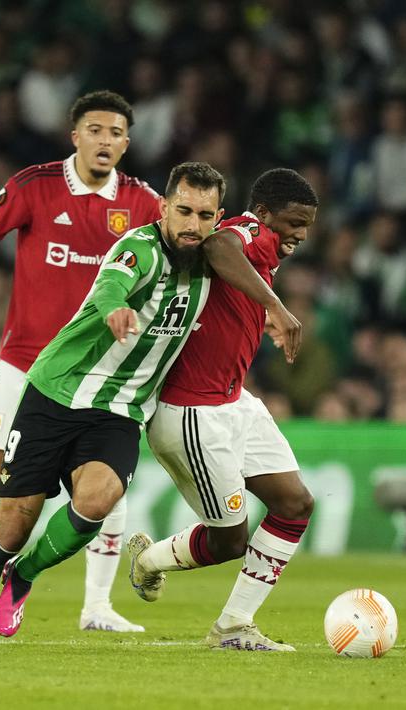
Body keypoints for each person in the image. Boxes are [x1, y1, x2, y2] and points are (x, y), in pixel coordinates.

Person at [0, 161, 303, 648]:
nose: (192, 225)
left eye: (203, 215)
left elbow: (230, 256)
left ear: (218, 217)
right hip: (56, 393)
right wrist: (115, 305)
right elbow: (114, 282)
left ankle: (24, 575)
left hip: (122, 409)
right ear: (163, 208)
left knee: (97, 501)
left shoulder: (212, 261)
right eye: (183, 211)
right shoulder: (138, 247)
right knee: (12, 524)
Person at [0, 90, 161, 632]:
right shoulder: (34, 185)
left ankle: (97, 607)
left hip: (101, 370)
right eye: (95, 130)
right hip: (26, 361)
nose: (105, 140)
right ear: (76, 136)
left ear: (126, 143)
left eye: (115, 133)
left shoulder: (142, 202)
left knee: (104, 483)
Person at [125, 168, 319, 651]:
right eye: (294, 222)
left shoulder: (266, 252)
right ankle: (149, 561)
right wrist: (275, 306)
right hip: (192, 413)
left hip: (235, 403)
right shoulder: (244, 233)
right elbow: (217, 246)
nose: (300, 234)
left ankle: (234, 625)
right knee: (230, 541)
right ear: (265, 213)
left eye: (308, 225)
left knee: (295, 505)